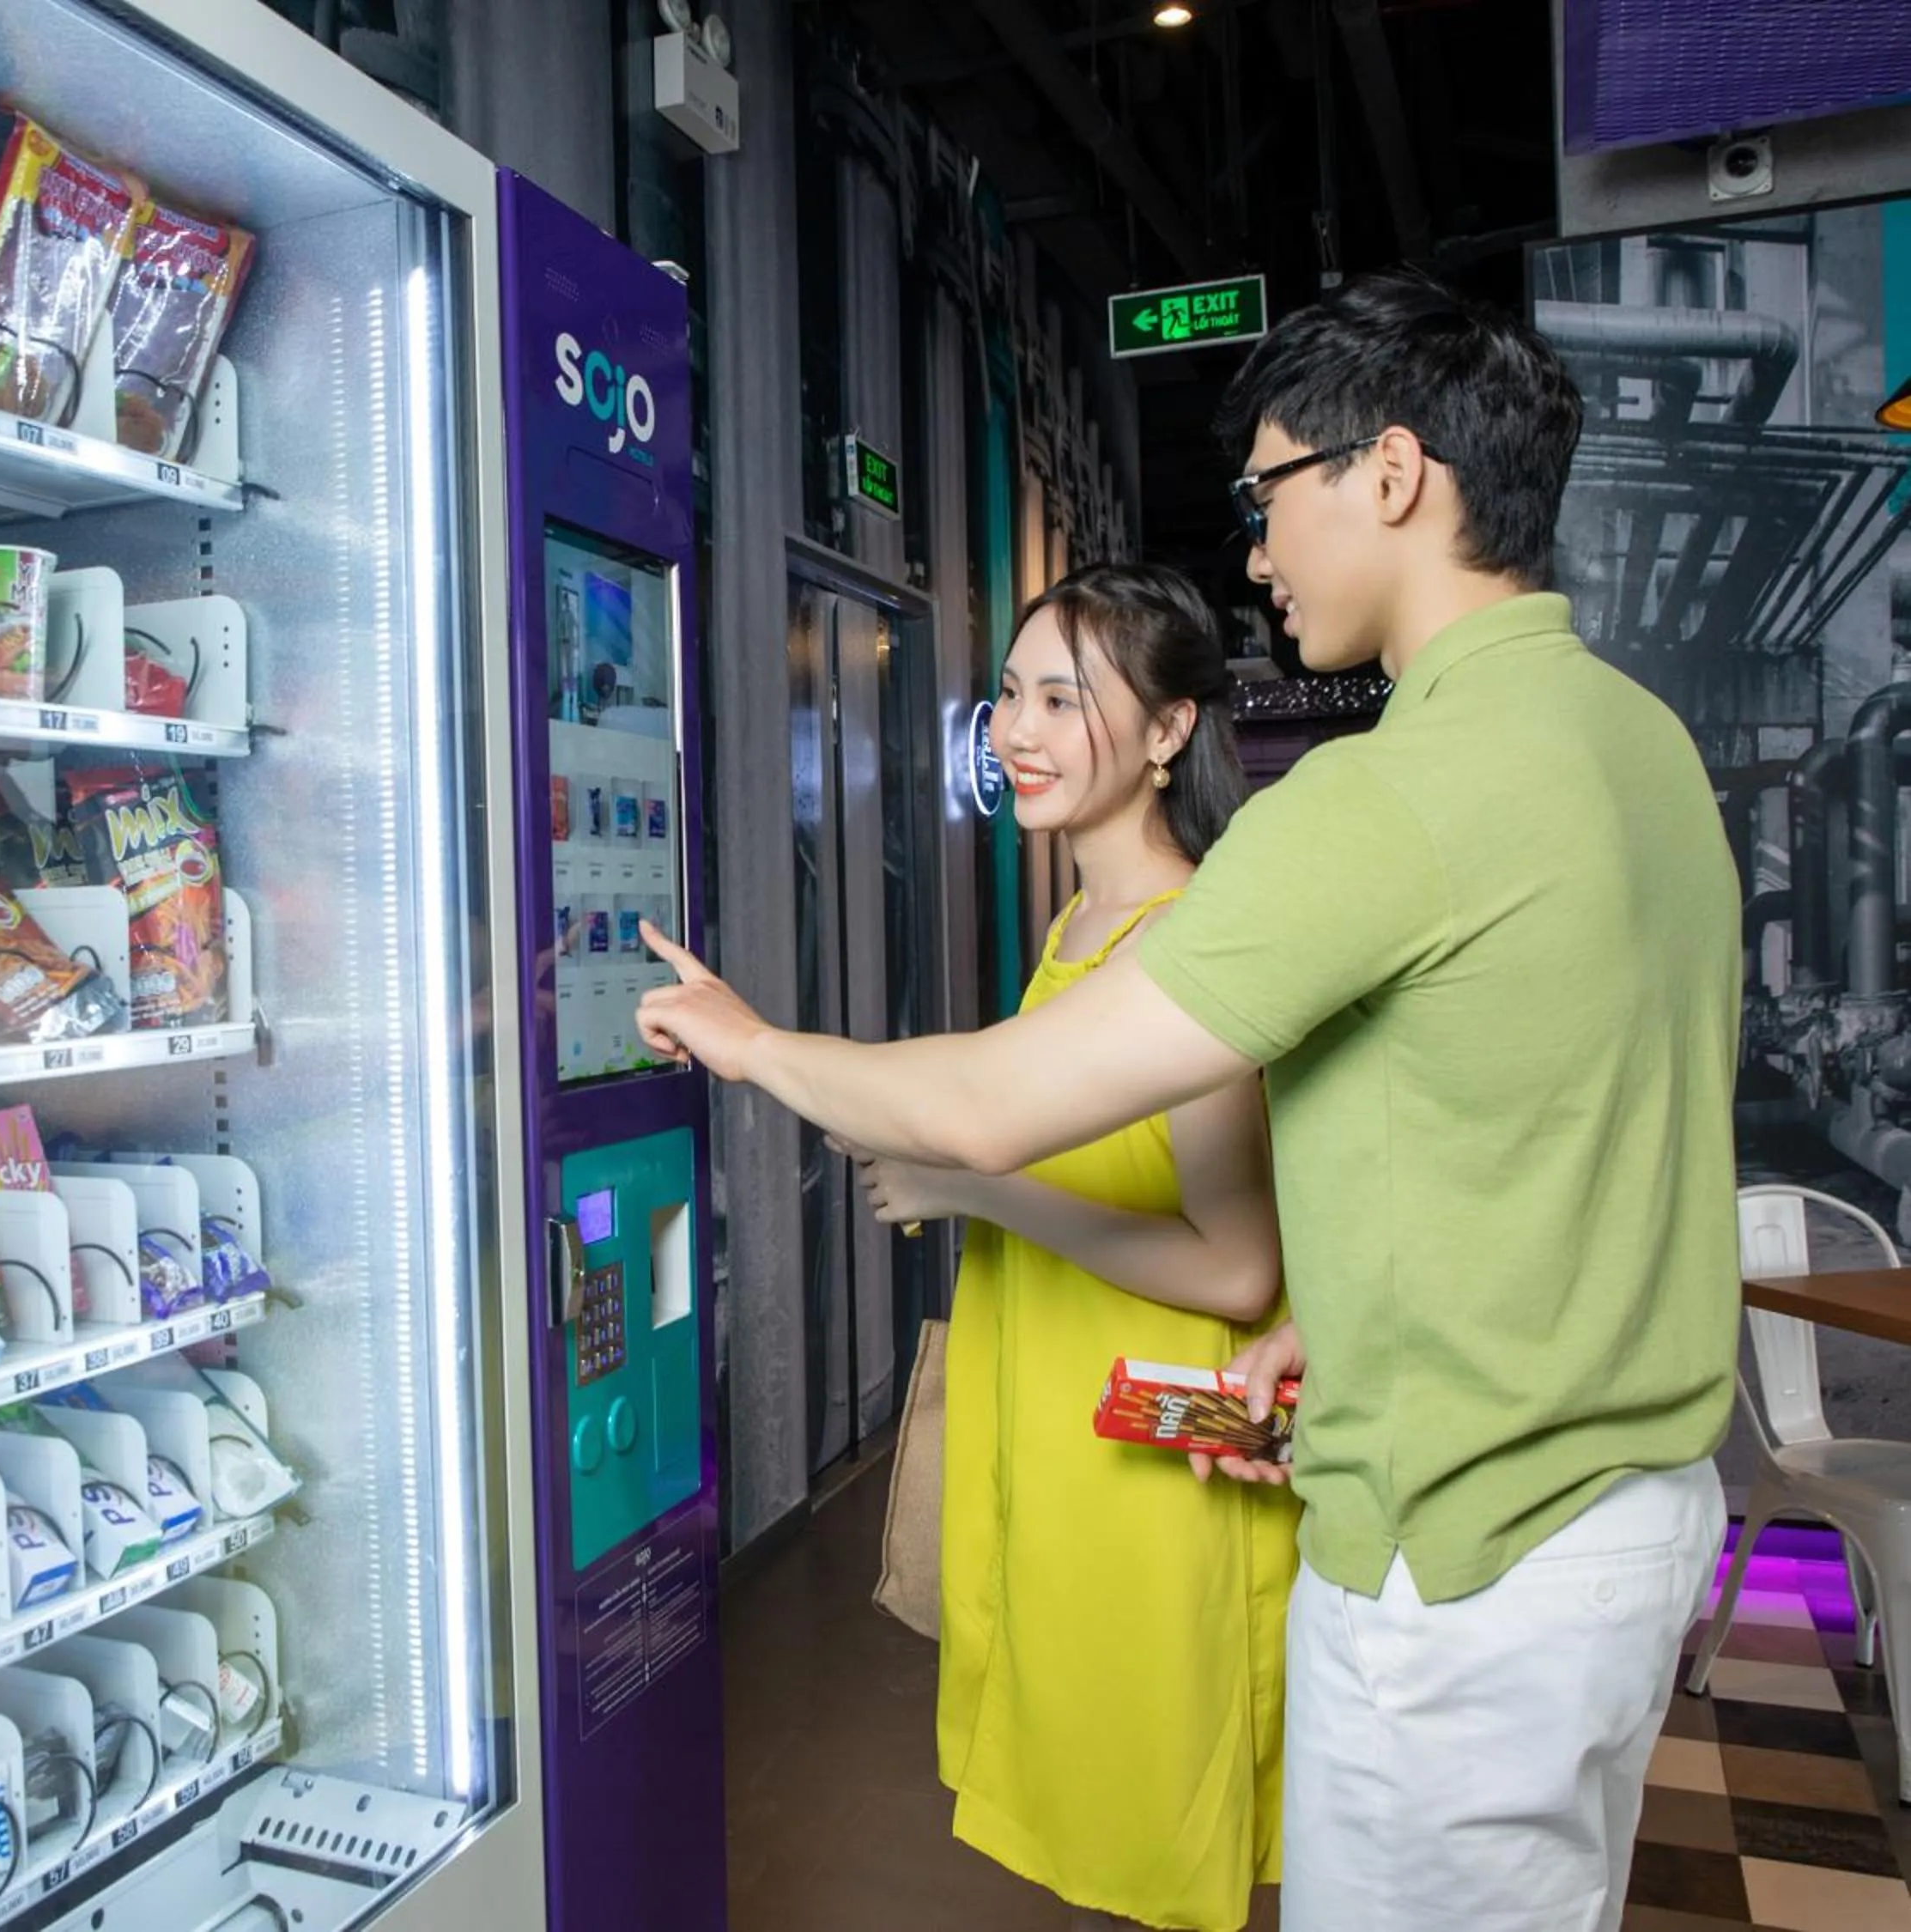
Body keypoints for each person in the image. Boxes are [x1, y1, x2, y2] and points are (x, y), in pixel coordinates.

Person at [640, 270, 1738, 1932]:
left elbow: (1007, 1107)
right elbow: (1557, 1120)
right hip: (1629, 1520)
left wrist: (747, 1042)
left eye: (1267, 497)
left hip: (1465, 1554)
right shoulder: (1638, 741)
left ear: (1390, 474)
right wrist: (1357, 1317)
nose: (1255, 555)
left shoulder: (1389, 796)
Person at [848, 562, 1294, 1931]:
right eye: (1009, 696)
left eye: (1064, 698)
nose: (1016, 733)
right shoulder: (1074, 925)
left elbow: (1237, 1268)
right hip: (1057, 1432)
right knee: (1090, 1828)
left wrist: (983, 1188)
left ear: (1169, 732)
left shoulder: (1196, 941)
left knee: (1159, 1834)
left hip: (1158, 1452)